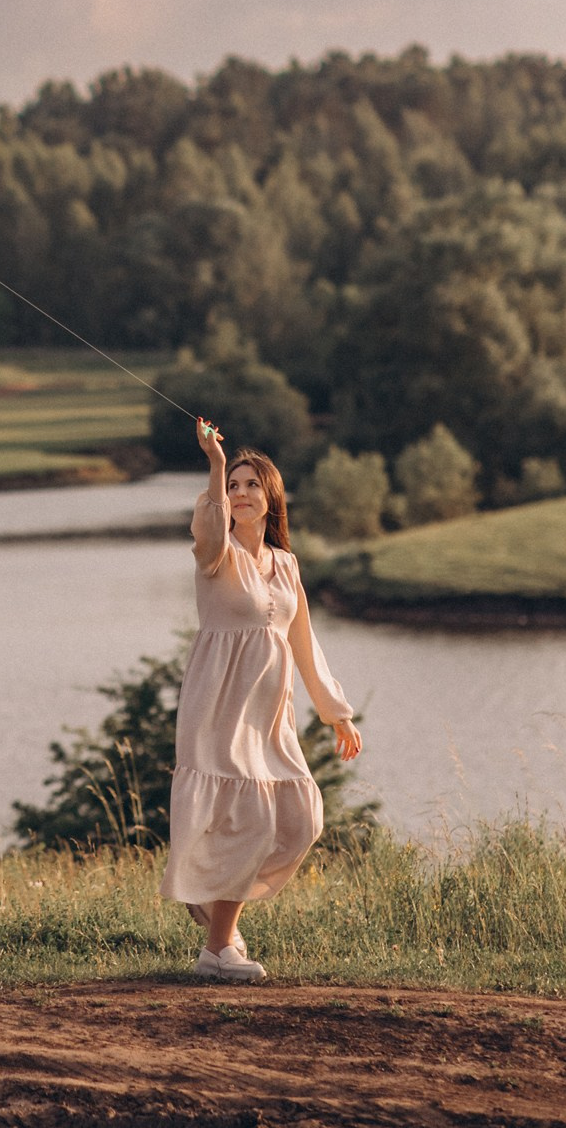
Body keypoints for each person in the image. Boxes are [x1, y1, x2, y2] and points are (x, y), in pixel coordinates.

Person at [161, 420, 362, 982]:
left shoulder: (286, 564)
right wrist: (217, 464)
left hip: (269, 714)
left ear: (272, 499)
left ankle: (213, 916)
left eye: (252, 485)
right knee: (245, 820)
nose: (241, 494)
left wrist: (334, 710)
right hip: (218, 705)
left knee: (300, 818)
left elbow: (303, 642)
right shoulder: (216, 555)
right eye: (235, 487)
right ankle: (219, 950)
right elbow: (207, 528)